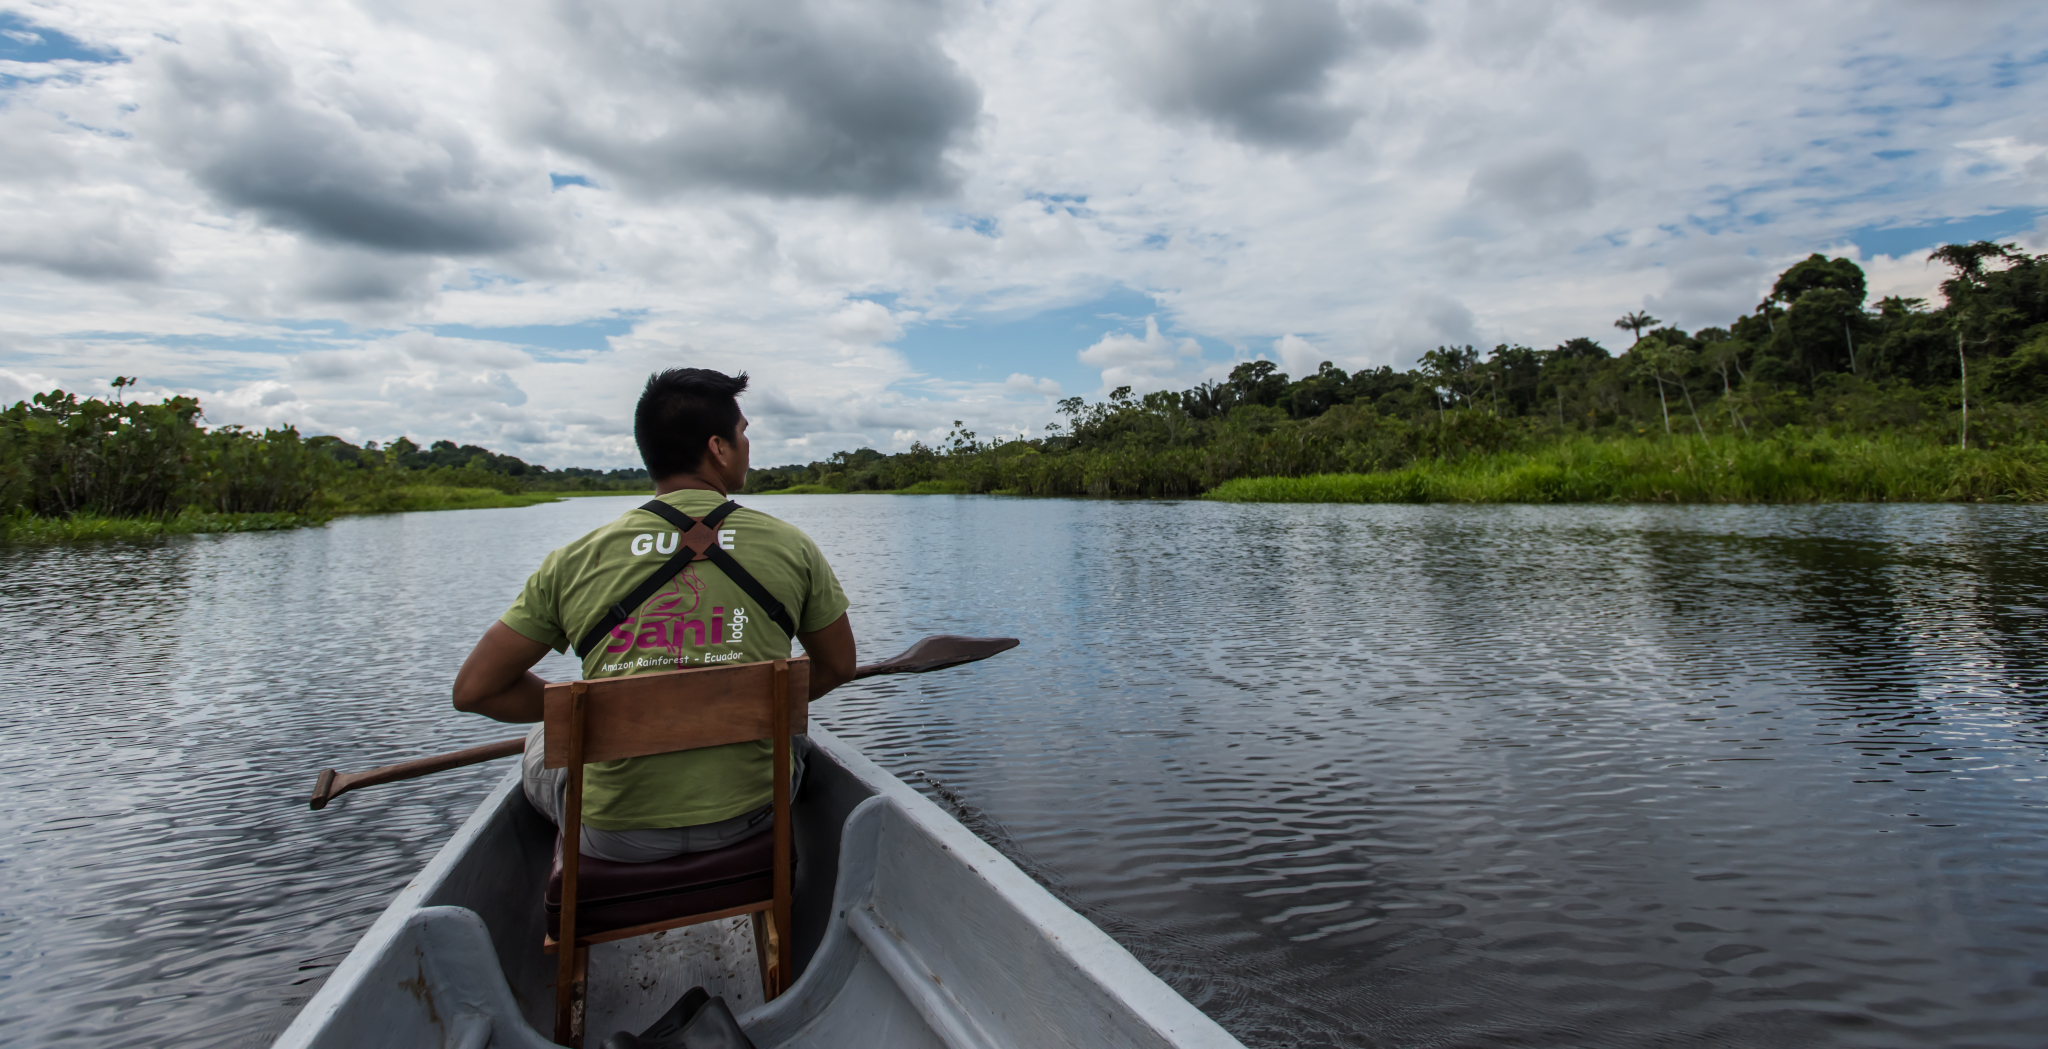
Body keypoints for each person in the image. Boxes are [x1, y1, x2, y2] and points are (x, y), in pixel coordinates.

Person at [450, 367, 856, 863]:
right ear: (718, 447)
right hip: (754, 815)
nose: (747, 443)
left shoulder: (576, 558)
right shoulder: (793, 546)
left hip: (614, 839)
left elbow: (475, 690)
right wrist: (730, 702)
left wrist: (583, 712)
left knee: (544, 733)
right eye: (744, 431)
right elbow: (837, 667)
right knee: (794, 735)